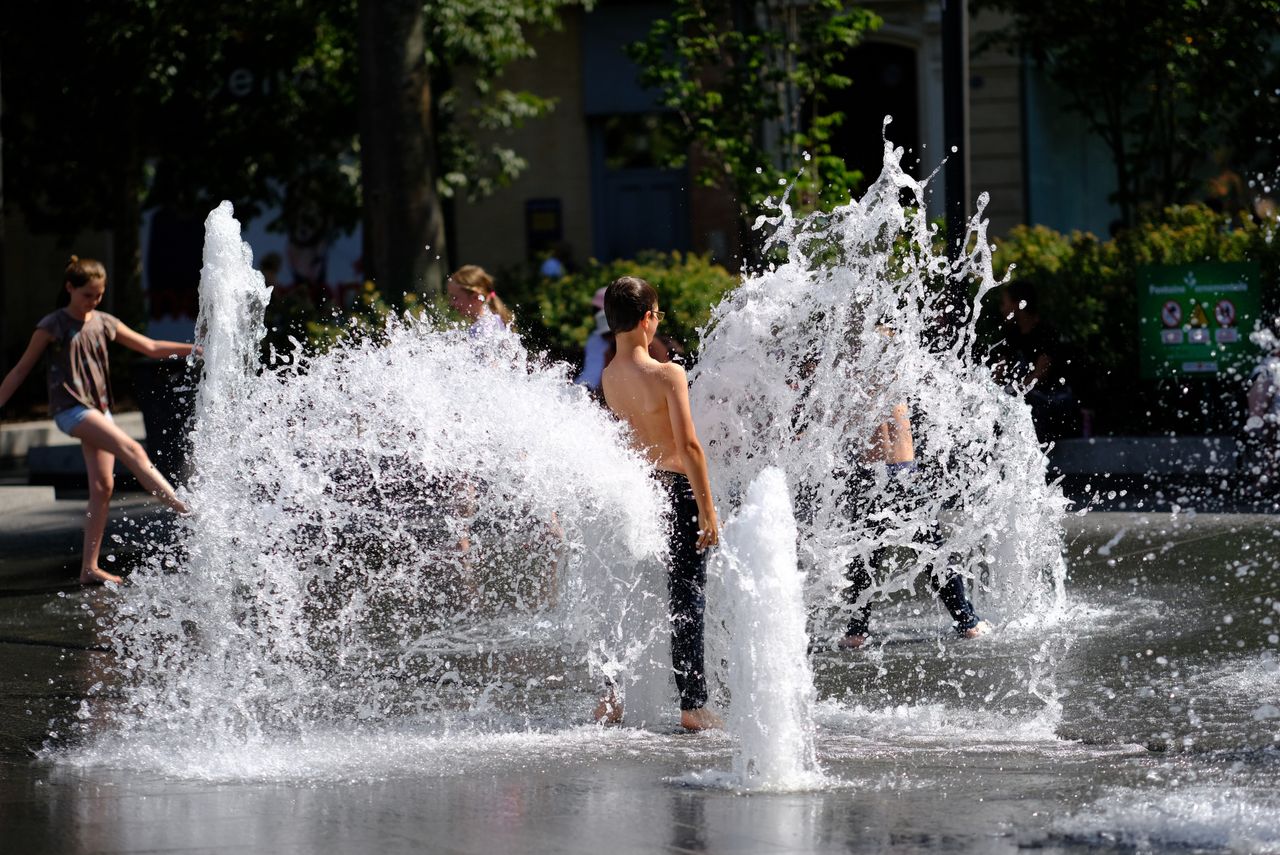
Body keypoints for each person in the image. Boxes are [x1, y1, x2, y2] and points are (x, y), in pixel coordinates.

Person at [0, 257, 195, 585]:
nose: (94, 301)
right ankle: (185, 509)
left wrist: (196, 349)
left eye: (99, 295)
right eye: (88, 294)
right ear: (70, 288)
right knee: (131, 448)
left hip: (98, 410)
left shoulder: (104, 321)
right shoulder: (53, 325)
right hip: (70, 410)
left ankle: (88, 568)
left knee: (103, 487)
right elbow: (21, 370)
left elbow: (149, 346)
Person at [597, 276, 722, 731]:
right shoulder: (667, 373)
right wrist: (708, 510)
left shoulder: (609, 377)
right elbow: (689, 447)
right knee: (687, 597)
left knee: (628, 593)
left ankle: (611, 695)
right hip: (678, 490)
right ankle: (693, 705)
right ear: (649, 319)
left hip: (641, 492)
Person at [839, 399, 990, 649]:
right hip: (902, 474)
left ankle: (856, 631)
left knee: (865, 558)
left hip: (866, 476)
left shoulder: (851, 374)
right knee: (933, 554)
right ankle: (968, 623)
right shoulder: (892, 367)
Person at [991, 281, 1083, 442]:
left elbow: (1041, 373)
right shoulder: (1011, 335)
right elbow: (999, 371)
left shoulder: (1045, 333)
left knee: (1028, 402)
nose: (1002, 309)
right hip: (1027, 398)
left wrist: (1014, 391)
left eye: (1005, 303)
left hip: (1052, 401)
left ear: (1020, 304)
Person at [447, 265, 514, 338]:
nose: (451, 303)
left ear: (475, 297)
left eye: (455, 297)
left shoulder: (487, 327)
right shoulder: (486, 323)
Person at [574, 287, 611, 390]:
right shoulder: (594, 338)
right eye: (595, 310)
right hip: (587, 388)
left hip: (590, 389)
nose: (596, 315)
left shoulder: (594, 338)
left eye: (598, 310)